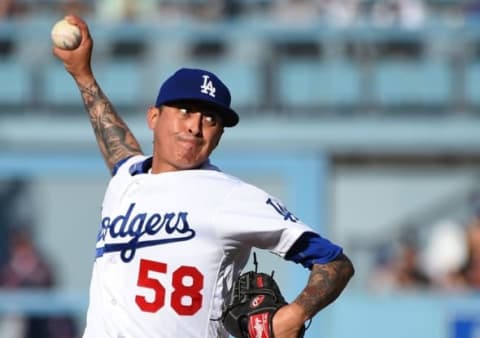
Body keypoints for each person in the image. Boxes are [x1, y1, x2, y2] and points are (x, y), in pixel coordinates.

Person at [52, 14, 354, 338]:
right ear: (154, 117)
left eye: (210, 119)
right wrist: (82, 74)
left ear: (220, 134)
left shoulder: (230, 197)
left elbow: (334, 263)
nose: (194, 127)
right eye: (184, 112)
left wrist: (296, 313)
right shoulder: (127, 177)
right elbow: (118, 148)